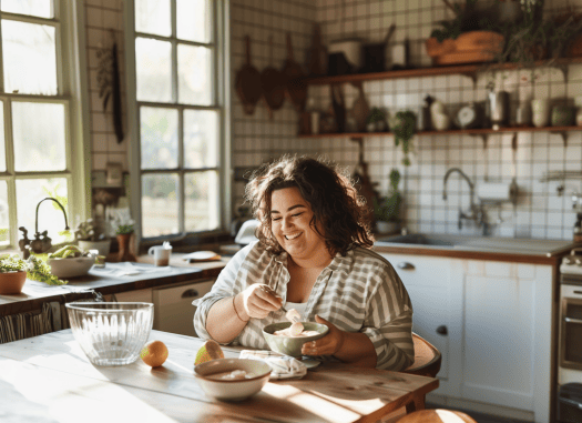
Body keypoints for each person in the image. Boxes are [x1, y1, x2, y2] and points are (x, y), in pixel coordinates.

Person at [193, 156, 413, 370]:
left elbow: (401, 355)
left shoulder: (373, 274)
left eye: (296, 214)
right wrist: (241, 305)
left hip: (339, 401)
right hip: (253, 391)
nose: (285, 226)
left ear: (326, 212)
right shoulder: (252, 258)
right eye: (276, 217)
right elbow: (204, 327)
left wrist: (342, 343)